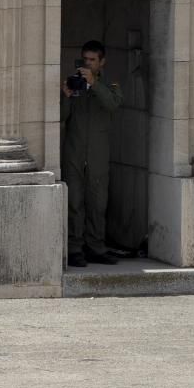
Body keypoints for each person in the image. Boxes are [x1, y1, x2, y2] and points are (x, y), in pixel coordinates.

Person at [60, 39, 122, 268]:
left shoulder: (109, 84)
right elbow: (61, 117)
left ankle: (96, 247)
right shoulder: (74, 83)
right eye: (85, 59)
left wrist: (94, 83)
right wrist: (66, 96)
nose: (87, 63)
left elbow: (113, 104)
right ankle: (75, 248)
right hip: (74, 151)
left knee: (98, 202)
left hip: (98, 153)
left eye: (92, 60)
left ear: (101, 62)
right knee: (75, 201)